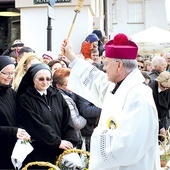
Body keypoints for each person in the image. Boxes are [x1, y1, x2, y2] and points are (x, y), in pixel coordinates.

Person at [61, 33, 160, 170]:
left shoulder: (139, 97)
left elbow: (129, 146)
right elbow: (95, 80)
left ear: (119, 65)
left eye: (106, 63)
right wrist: (71, 56)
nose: (104, 68)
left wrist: (98, 134)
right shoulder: (118, 85)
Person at [16, 63, 78, 167]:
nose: (45, 82)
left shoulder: (56, 94)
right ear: (33, 79)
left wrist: (69, 141)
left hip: (60, 149)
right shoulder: (26, 99)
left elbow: (67, 119)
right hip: (39, 152)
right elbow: (36, 125)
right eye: (41, 79)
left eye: (48, 79)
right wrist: (57, 142)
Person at [0, 55, 30, 169]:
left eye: (12, 73)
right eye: (6, 73)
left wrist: (22, 131)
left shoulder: (11, 92)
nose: (10, 77)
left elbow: (19, 116)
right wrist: (12, 132)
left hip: (13, 150)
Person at [52, 67, 87, 148]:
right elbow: (76, 124)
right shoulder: (65, 99)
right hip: (69, 141)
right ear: (58, 86)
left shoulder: (67, 95)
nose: (72, 86)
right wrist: (85, 119)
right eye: (68, 84)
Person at [149, 71, 170, 139]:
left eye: (167, 88)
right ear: (158, 81)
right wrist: (160, 127)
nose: (165, 89)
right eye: (163, 87)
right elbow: (150, 111)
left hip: (164, 118)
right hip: (152, 120)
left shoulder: (167, 88)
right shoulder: (150, 89)